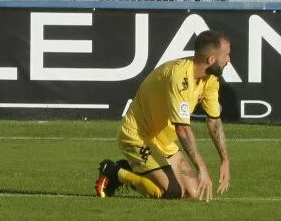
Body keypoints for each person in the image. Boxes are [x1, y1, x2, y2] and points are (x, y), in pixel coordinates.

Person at [94, 30, 231, 202]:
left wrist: (224, 160)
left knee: (195, 193)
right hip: (137, 137)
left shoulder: (210, 78)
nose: (229, 60)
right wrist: (201, 168)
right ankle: (115, 171)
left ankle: (137, 168)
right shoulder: (179, 78)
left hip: (163, 143)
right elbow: (182, 129)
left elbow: (214, 120)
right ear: (211, 60)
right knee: (172, 192)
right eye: (226, 56)